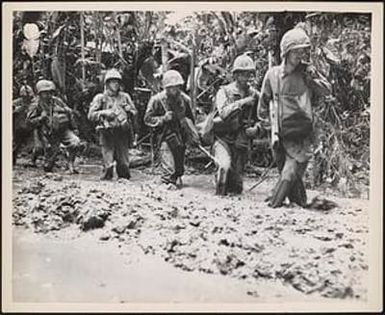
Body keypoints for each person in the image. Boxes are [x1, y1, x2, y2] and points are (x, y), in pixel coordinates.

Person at [257, 27, 332, 208]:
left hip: (302, 136)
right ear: (286, 52)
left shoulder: (307, 73)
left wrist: (312, 77)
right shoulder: (273, 75)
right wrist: (270, 129)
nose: (300, 55)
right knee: (293, 184)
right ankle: (300, 204)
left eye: (303, 51)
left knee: (289, 174)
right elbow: (262, 106)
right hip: (280, 136)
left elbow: (327, 91)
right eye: (296, 51)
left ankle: (272, 207)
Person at [211, 54, 260, 195]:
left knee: (236, 187)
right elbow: (223, 113)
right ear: (236, 75)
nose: (247, 78)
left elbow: (263, 118)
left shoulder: (255, 95)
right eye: (244, 74)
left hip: (241, 142)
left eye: (250, 74)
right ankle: (218, 199)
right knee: (223, 167)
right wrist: (242, 102)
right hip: (222, 139)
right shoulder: (224, 91)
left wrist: (256, 129)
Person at [144, 70, 200, 189]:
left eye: (177, 87)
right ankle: (166, 183)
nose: (175, 90)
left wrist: (191, 134)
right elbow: (147, 119)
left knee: (179, 167)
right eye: (171, 87)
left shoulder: (185, 100)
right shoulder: (157, 100)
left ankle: (175, 179)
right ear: (166, 87)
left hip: (179, 137)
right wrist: (163, 119)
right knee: (168, 167)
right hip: (163, 136)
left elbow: (190, 119)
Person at [88, 68, 138, 180]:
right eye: (113, 81)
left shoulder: (125, 97)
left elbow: (135, 113)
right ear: (107, 83)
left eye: (117, 81)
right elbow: (91, 115)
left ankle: (123, 185)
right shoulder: (101, 98)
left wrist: (129, 110)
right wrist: (104, 113)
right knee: (108, 165)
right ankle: (107, 185)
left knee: (124, 164)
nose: (115, 84)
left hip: (122, 133)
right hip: (107, 133)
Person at [26, 79, 81, 173]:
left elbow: (69, 114)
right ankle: (41, 160)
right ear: (40, 93)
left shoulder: (57, 101)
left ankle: (70, 164)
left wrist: (74, 127)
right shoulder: (36, 105)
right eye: (45, 93)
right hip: (46, 132)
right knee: (48, 165)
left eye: (50, 92)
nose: (48, 95)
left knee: (75, 142)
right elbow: (29, 122)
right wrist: (40, 118)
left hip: (62, 129)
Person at [13, 85, 37, 165]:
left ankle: (33, 160)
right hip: (19, 128)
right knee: (16, 144)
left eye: (28, 96)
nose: (26, 98)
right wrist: (17, 110)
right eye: (24, 96)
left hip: (32, 127)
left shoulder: (36, 103)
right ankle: (12, 159)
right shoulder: (17, 102)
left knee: (36, 146)